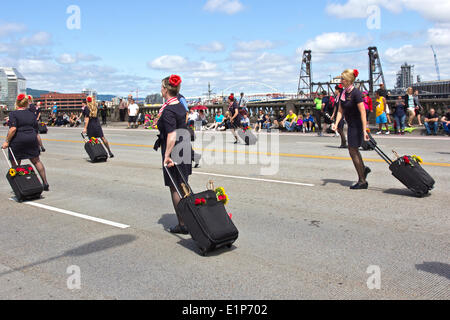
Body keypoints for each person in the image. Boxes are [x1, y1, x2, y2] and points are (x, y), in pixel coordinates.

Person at [155, 75, 192, 234]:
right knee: (184, 185)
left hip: (175, 148)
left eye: (161, 87)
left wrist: (167, 156)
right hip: (185, 146)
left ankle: (183, 224)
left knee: (175, 187)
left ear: (165, 89)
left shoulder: (169, 109)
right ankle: (193, 219)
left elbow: (171, 134)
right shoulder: (179, 105)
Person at [332, 69, 370, 190]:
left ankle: (362, 180)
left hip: (357, 125)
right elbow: (340, 110)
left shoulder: (356, 93)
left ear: (348, 80)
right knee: (354, 150)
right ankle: (363, 170)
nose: (341, 81)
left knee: (352, 150)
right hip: (351, 125)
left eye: (342, 79)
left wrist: (364, 130)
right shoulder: (344, 93)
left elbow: (363, 112)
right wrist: (336, 123)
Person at [2, 94, 50, 191]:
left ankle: (21, 184)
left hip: (18, 140)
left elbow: (13, 129)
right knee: (36, 161)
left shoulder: (13, 114)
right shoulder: (32, 114)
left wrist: (7, 141)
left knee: (16, 163)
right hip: (31, 139)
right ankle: (45, 183)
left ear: (17, 103)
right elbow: (36, 130)